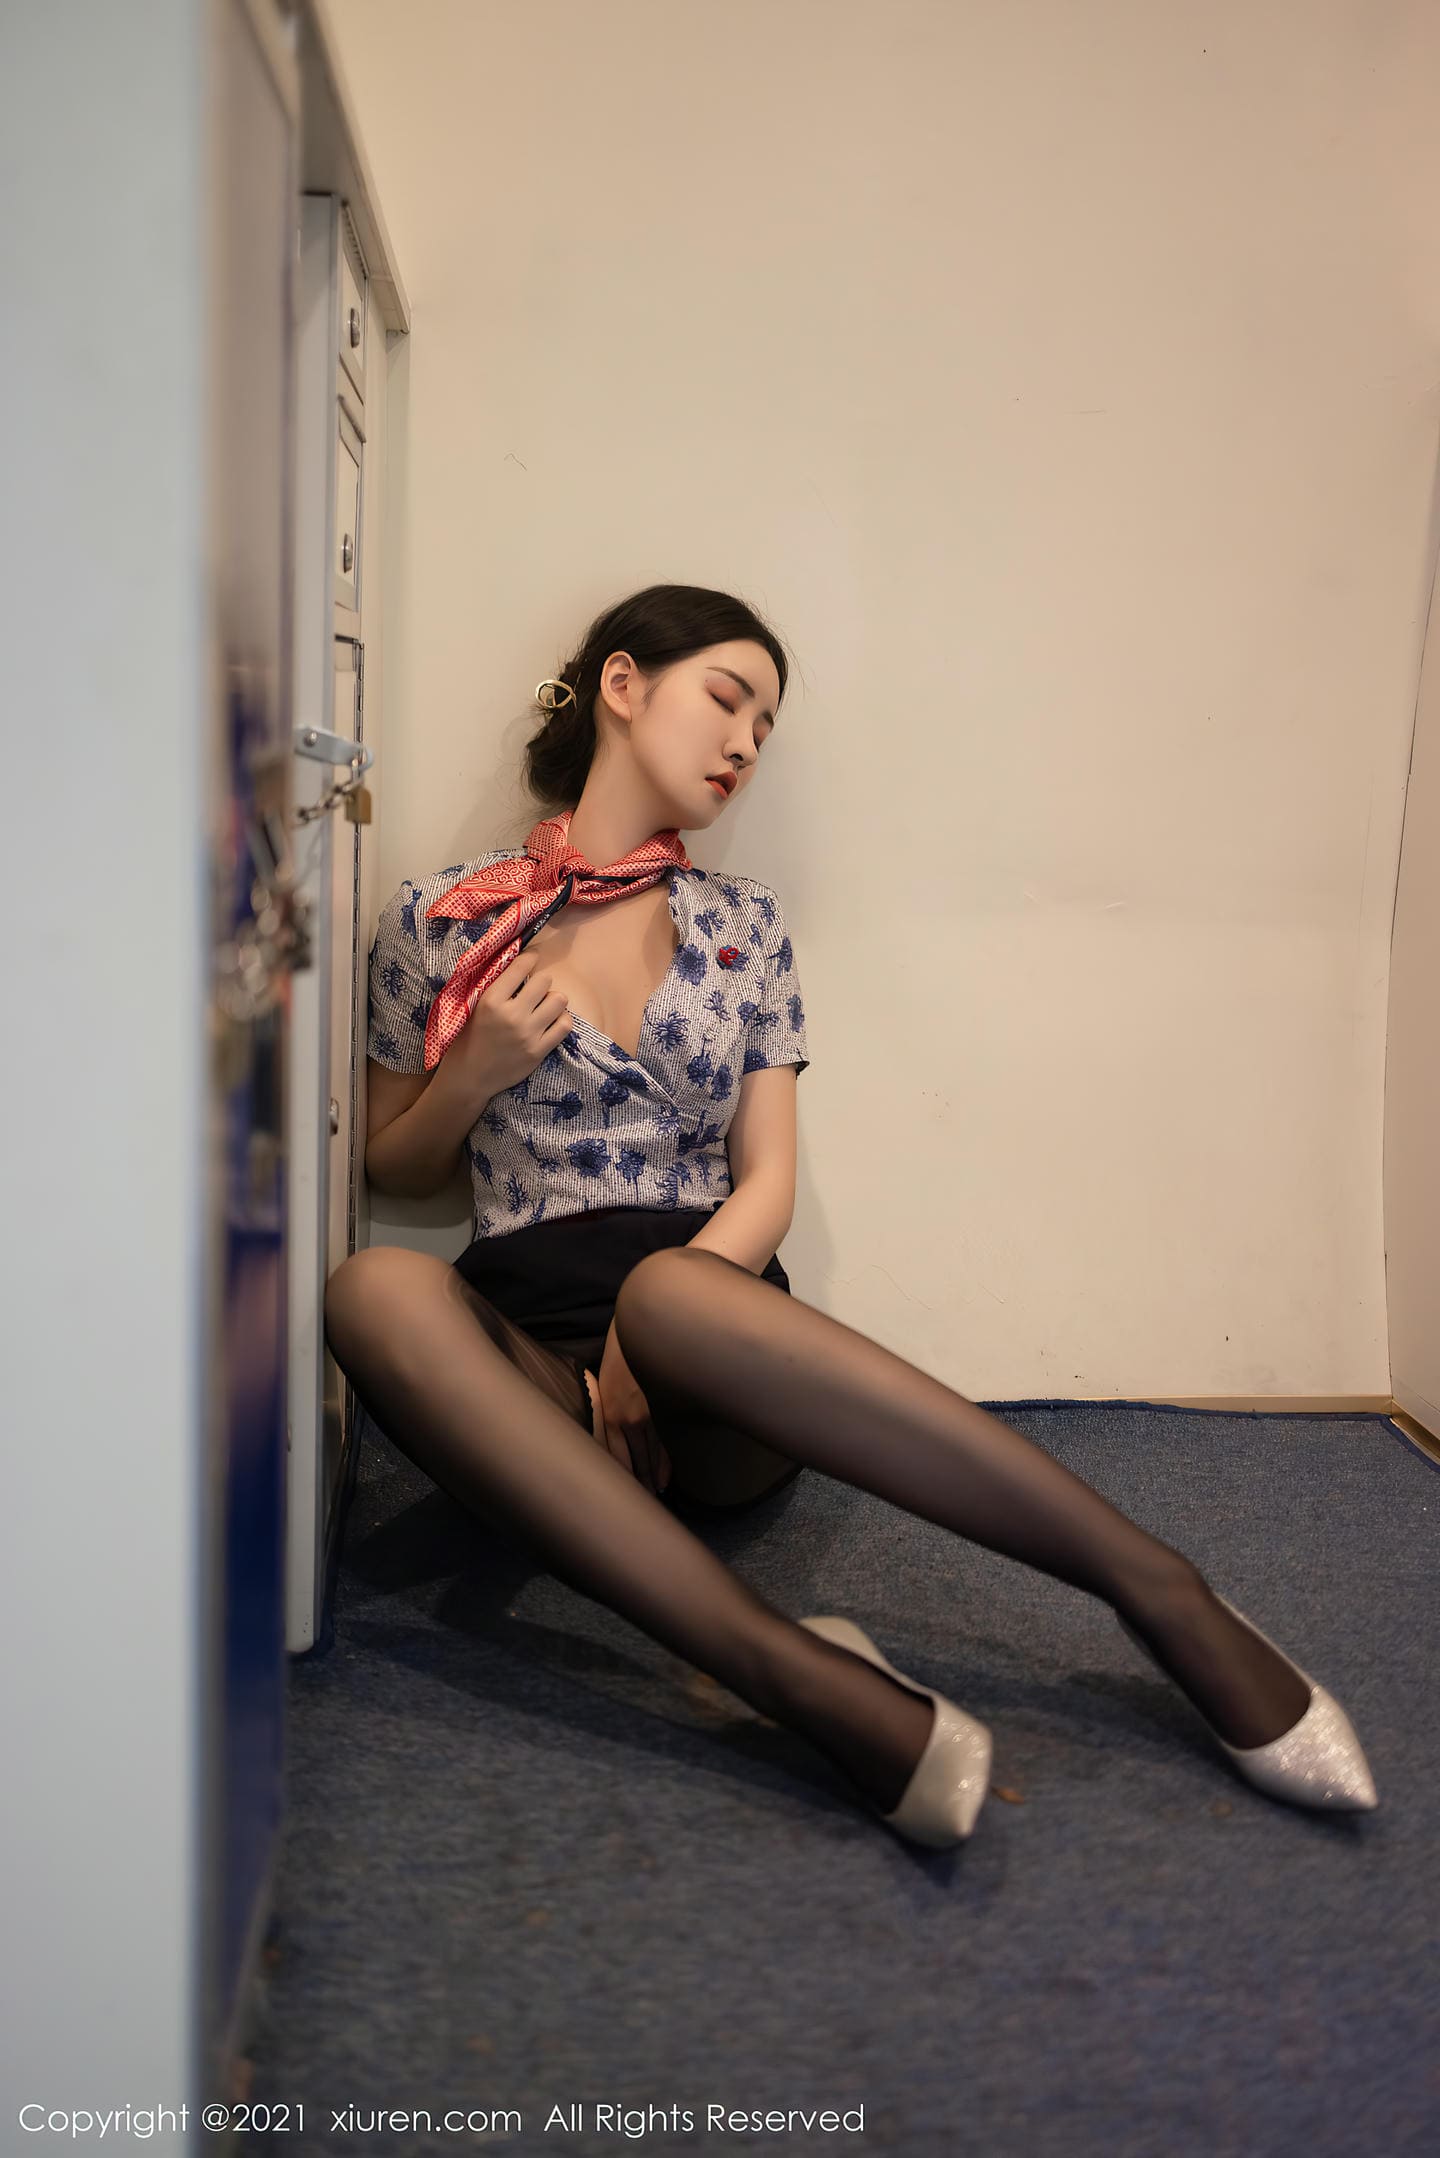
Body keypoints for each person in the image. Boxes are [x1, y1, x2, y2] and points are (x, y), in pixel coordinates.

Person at [324, 582, 1377, 1847]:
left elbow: (766, 1179)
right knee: (372, 1291)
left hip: (708, 1350)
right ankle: (802, 1679)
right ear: (623, 685)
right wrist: (475, 1074)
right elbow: (395, 1166)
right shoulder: (445, 917)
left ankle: (1163, 1591)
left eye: (764, 729)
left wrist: (642, 1335)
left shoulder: (745, 923)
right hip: (532, 1373)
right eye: (727, 699)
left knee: (671, 1292)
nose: (744, 744)